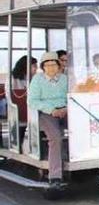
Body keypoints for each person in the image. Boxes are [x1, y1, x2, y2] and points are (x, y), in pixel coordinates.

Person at [28, 52, 68, 194]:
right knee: (55, 137)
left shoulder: (64, 79)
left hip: (65, 110)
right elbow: (32, 101)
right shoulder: (37, 80)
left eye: (54, 65)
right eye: (47, 65)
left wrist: (65, 108)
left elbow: (71, 95)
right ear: (43, 67)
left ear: (58, 66)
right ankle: (55, 176)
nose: (51, 68)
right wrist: (51, 110)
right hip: (46, 113)